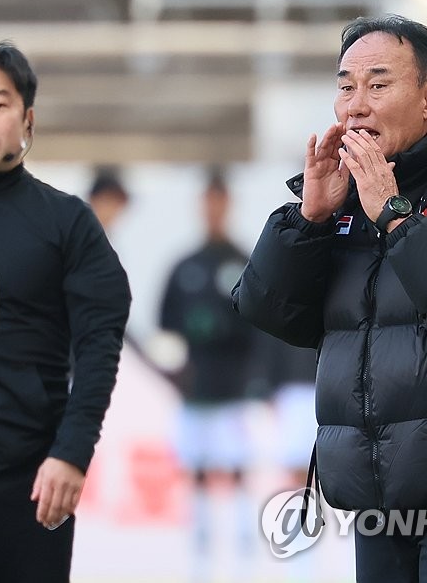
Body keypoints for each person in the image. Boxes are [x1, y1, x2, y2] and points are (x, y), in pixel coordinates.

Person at [232, 14, 427, 582]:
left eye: (378, 84)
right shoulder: (346, 200)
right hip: (380, 488)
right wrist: (308, 220)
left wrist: (397, 217)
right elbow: (269, 311)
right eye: (345, 85)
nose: (356, 104)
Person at [0, 41, 131, 583]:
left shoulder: (68, 222)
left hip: (32, 479)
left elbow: (99, 343)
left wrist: (71, 453)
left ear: (27, 119)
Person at [156, 170, 272, 580]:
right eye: (208, 202)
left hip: (236, 386)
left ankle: (242, 543)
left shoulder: (242, 261)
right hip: (195, 387)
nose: (213, 210)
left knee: (237, 466)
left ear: (228, 205)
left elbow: (260, 324)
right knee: (199, 467)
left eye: (219, 202)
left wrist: (256, 375)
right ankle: (202, 542)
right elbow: (164, 325)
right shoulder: (184, 265)